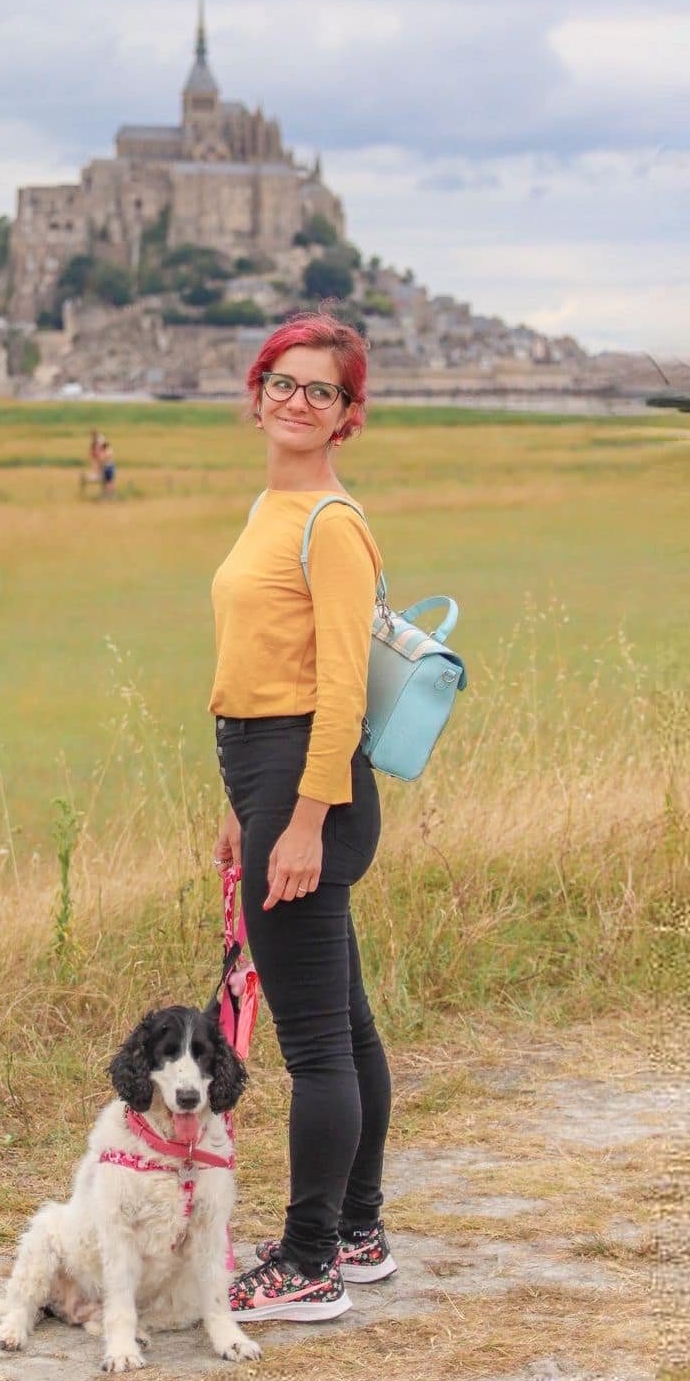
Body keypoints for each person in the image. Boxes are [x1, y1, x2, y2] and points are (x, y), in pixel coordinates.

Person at [209, 310, 394, 1324]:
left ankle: (311, 1260)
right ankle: (358, 1231)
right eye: (282, 380)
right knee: (347, 1023)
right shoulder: (269, 507)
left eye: (320, 389)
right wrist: (243, 811)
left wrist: (303, 819)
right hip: (267, 775)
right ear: (257, 391)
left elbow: (339, 692)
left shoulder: (333, 524)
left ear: (347, 414)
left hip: (305, 775)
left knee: (315, 1041)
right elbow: (254, 666)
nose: (296, 400)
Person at [99, 436, 117, 500]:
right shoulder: (107, 450)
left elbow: (104, 459)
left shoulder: (107, 451)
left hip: (109, 467)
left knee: (109, 481)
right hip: (108, 467)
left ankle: (110, 495)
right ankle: (109, 494)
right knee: (108, 481)